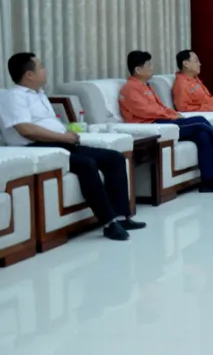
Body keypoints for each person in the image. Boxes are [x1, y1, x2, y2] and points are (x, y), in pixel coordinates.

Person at [0, 52, 145, 241]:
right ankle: (109, 223)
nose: (45, 70)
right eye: (41, 67)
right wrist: (62, 137)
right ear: (29, 75)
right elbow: (26, 129)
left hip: (60, 143)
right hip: (37, 147)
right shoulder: (14, 97)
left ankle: (121, 217)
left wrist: (68, 133)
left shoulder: (39, 94)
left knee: (114, 158)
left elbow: (47, 123)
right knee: (87, 164)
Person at [119, 51, 213, 192]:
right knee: (200, 123)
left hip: (163, 121)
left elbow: (160, 107)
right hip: (153, 125)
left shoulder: (145, 86)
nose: (152, 68)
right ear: (138, 70)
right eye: (148, 65)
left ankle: (209, 182)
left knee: (202, 135)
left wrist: (173, 114)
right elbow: (146, 111)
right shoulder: (130, 89)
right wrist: (172, 115)